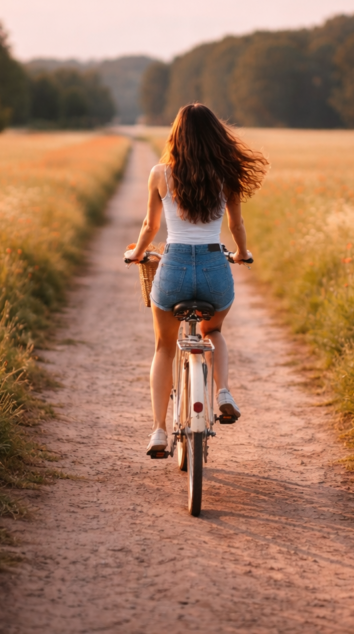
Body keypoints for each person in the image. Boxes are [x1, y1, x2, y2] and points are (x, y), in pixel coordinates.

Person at [126, 104, 268, 455]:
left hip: (173, 268)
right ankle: (222, 392)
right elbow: (236, 226)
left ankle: (159, 431)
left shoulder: (161, 173)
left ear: (177, 136)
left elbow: (150, 226)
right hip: (213, 269)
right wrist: (241, 253)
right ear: (215, 136)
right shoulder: (226, 175)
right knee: (213, 332)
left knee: (163, 347)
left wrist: (136, 254)